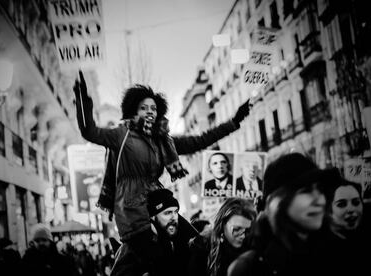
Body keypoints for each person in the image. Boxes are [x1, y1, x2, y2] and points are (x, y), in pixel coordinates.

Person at [73, 72, 250, 274]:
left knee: (196, 245)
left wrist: (234, 122)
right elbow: (89, 131)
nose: (150, 112)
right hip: (134, 214)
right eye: (143, 108)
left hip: (159, 205)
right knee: (161, 263)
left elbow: (199, 140)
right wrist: (83, 101)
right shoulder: (121, 135)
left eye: (154, 108)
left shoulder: (162, 140)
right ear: (133, 111)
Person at [227, 152, 340, 276]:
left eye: (320, 189)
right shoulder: (249, 268)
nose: (320, 200)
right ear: (276, 202)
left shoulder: (341, 250)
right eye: (306, 191)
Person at [111, 189, 198, 276]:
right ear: (153, 217)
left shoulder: (182, 240)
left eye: (175, 212)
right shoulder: (136, 245)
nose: (174, 217)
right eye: (167, 213)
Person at [188, 198, 257, 276]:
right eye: (237, 229)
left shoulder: (255, 251)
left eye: (248, 230)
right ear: (222, 226)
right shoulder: (204, 250)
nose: (243, 235)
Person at [316, 178, 371, 275]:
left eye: (356, 202)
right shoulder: (318, 248)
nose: (351, 209)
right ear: (327, 211)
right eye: (341, 204)